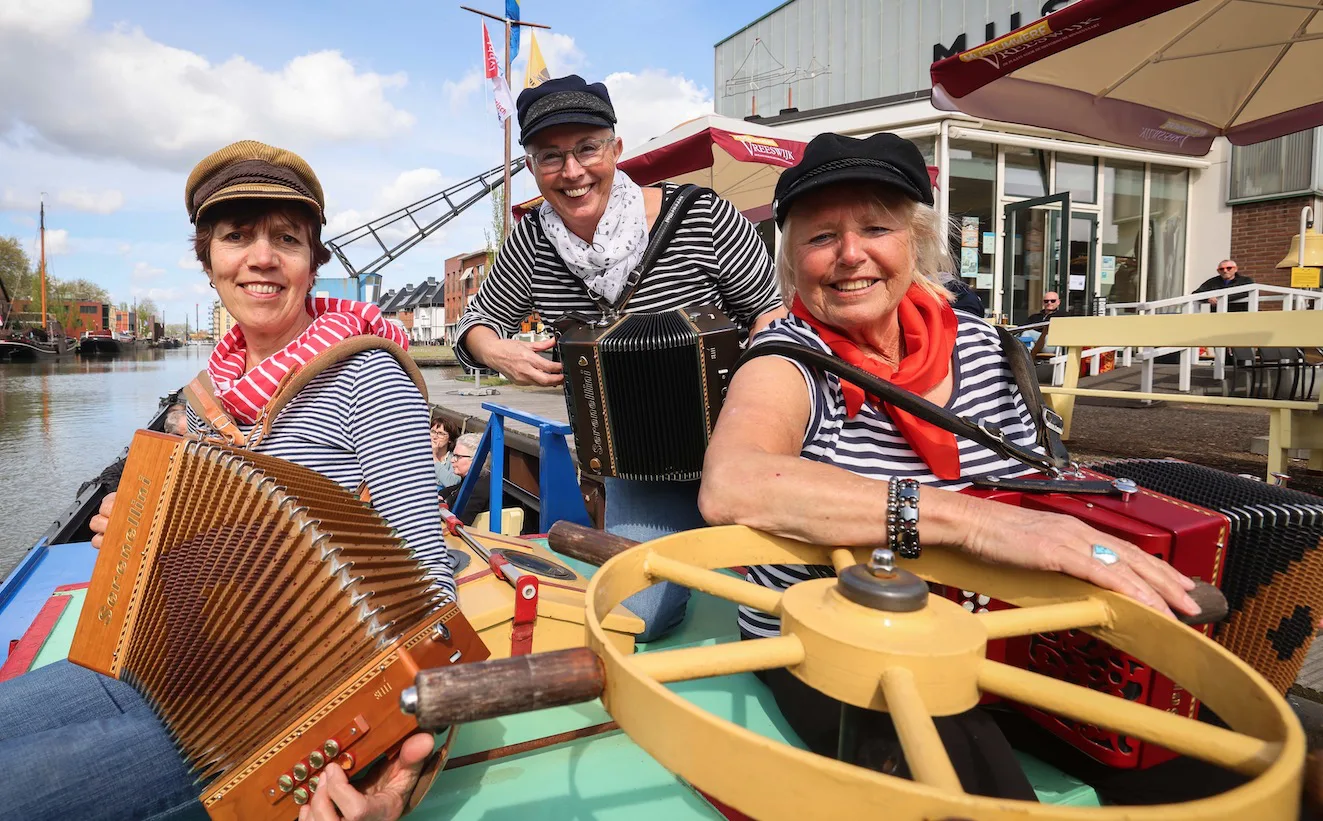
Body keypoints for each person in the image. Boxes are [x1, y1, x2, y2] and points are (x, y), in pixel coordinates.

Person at [698, 132, 1201, 798]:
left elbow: (1039, 489)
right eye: (820, 237)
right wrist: (964, 522)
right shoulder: (786, 360)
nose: (850, 254)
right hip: (844, 641)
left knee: (1186, 756)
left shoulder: (988, 347)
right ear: (790, 258)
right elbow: (733, 482)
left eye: (875, 227)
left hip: (1005, 632)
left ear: (917, 242)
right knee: (977, 799)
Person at [0, 140, 455, 821]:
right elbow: (209, 567)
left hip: (263, 716)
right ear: (208, 260)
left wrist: (389, 790)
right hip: (152, 667)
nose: (262, 257)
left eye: (287, 238)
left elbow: (431, 603)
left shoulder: (368, 377)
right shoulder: (205, 399)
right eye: (237, 236)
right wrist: (132, 545)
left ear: (313, 261)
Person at [453, 74, 785, 641]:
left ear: (616, 149)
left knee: (775, 607)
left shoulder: (703, 215)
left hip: (741, 444)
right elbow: (473, 327)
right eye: (550, 157)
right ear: (532, 168)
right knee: (641, 619)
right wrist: (497, 350)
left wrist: (758, 396)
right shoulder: (531, 244)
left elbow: (772, 313)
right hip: (635, 463)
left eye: (587, 148)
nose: (573, 171)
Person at [442, 432, 490, 525]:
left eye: (457, 457)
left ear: (475, 459)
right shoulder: (478, 478)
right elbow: (454, 488)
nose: (452, 460)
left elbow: (460, 523)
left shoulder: (476, 489)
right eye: (453, 455)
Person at [431, 410, 463, 491]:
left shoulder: (454, 459)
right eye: (433, 432)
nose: (435, 437)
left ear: (450, 439)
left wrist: (434, 458)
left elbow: (452, 483)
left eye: (441, 433)